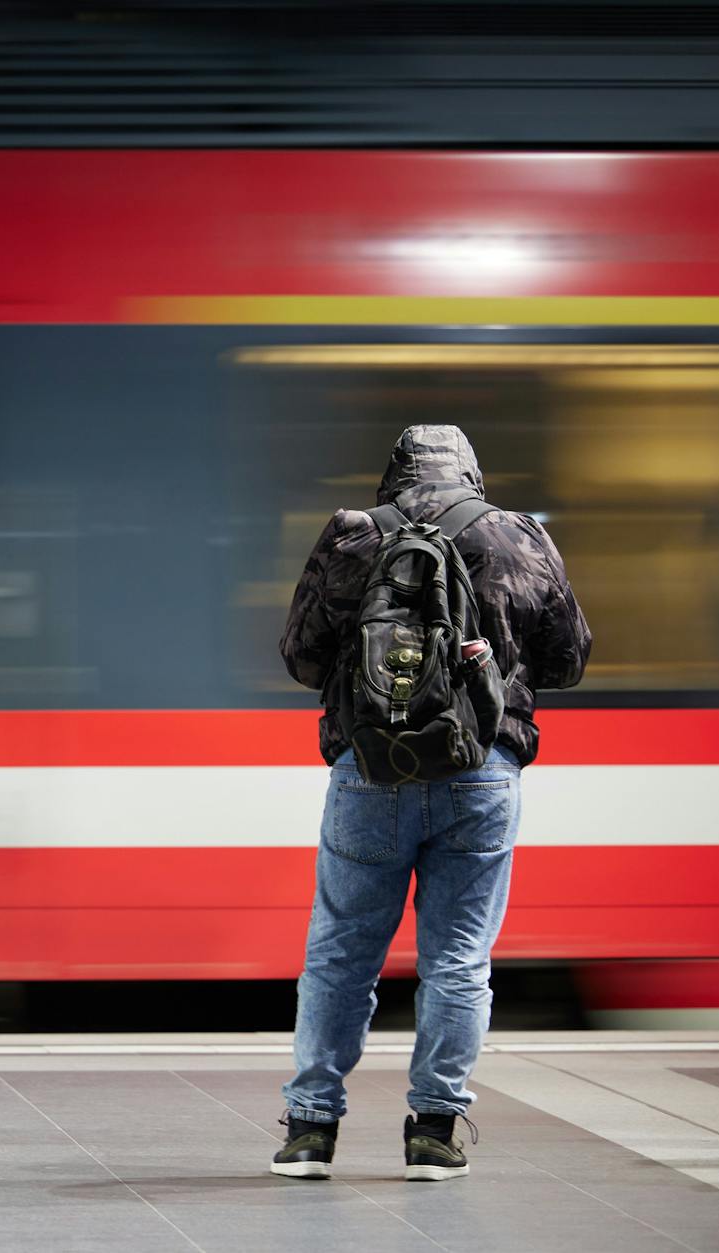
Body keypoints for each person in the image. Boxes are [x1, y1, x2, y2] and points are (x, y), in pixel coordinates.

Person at [271, 425, 590, 1181]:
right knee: (457, 960)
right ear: (471, 474)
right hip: (482, 770)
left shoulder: (353, 535)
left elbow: (300, 655)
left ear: (393, 477)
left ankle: (311, 1129)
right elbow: (569, 659)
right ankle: (434, 1133)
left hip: (370, 771)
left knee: (341, 954)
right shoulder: (517, 535)